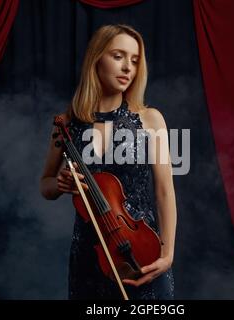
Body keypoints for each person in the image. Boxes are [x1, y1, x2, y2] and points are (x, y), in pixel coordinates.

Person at [40, 24, 177, 299]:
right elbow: (46, 185)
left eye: (135, 61)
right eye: (118, 56)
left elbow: (164, 191)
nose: (128, 67)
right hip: (91, 253)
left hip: (142, 249)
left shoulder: (150, 119)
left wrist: (168, 254)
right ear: (96, 59)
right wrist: (62, 183)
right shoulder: (66, 124)